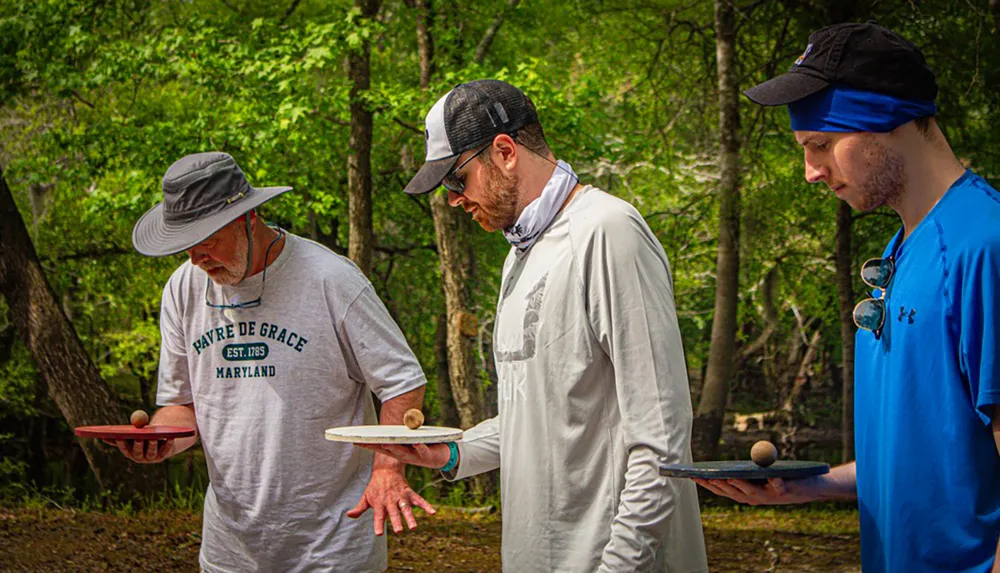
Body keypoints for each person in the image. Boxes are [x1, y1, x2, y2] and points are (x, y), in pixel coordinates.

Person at [364, 79, 709, 572]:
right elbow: (538, 415)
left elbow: (661, 436)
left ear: (504, 151)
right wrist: (452, 453)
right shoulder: (520, 256)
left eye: (456, 180)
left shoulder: (608, 232)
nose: (453, 200)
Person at [695, 22, 1000, 573]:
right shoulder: (903, 249)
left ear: (885, 118)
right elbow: (928, 454)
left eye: (821, 145)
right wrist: (808, 485)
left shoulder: (984, 244)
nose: (811, 172)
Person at [119, 151, 434, 572]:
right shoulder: (183, 288)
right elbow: (183, 407)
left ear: (248, 219)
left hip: (331, 547)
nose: (196, 259)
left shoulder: (329, 278)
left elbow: (402, 383)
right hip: (231, 549)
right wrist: (159, 439)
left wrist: (388, 468)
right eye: (187, 247)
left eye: (207, 243)